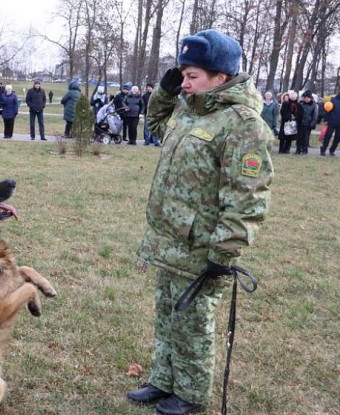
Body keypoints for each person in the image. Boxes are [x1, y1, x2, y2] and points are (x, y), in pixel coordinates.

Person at [130, 29, 274, 415]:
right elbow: (155, 124)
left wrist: (224, 252)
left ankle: (191, 395)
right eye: (182, 74)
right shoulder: (187, 110)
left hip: (202, 247)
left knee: (192, 323)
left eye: (192, 76)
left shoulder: (242, 123)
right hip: (168, 241)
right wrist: (165, 90)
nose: (185, 83)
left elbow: (248, 196)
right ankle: (164, 381)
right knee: (166, 316)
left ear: (220, 77)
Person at [296, 90, 318, 155]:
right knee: (299, 137)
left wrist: (312, 124)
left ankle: (304, 150)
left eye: (306, 98)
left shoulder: (313, 105)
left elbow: (315, 115)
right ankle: (298, 149)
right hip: (300, 123)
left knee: (305, 137)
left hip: (307, 123)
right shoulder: (300, 103)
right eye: (304, 97)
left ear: (310, 98)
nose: (305, 99)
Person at [320, 92, 340, 156]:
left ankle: (332, 150)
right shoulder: (333, 100)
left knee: (338, 137)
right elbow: (327, 110)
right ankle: (323, 149)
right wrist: (326, 119)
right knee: (328, 135)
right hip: (331, 121)